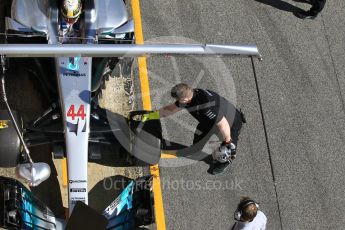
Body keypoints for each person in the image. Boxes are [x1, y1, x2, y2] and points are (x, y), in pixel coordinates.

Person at [156, 83, 245, 174]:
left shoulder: (205, 106)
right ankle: (196, 149)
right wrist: (152, 115)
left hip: (231, 123)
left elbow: (223, 124)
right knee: (198, 138)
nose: (176, 101)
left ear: (185, 99)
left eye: (177, 99)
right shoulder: (190, 94)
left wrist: (227, 141)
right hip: (209, 120)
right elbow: (170, 109)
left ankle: (224, 162)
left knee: (227, 151)